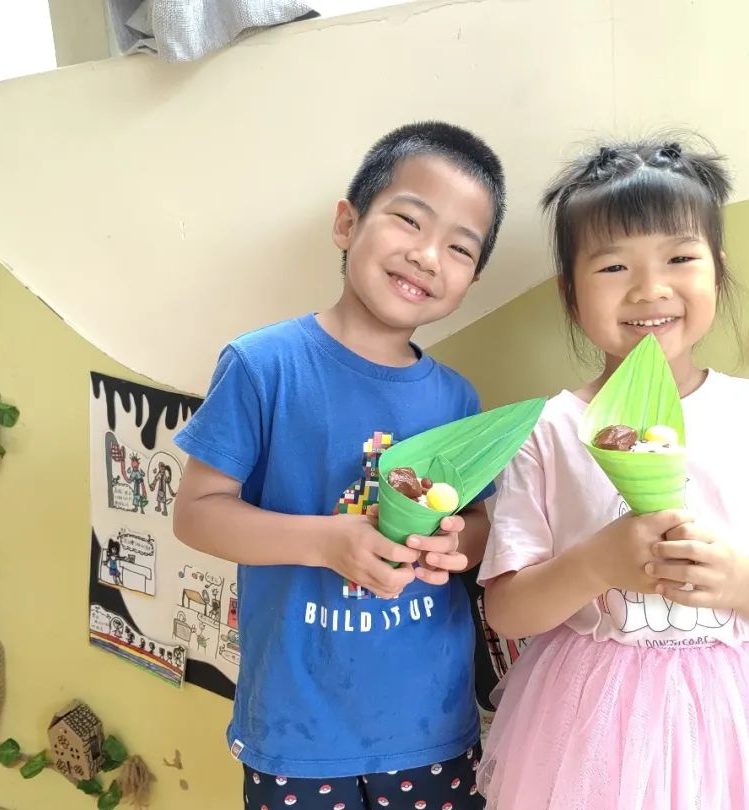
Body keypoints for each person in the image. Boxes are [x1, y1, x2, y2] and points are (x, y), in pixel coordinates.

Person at [476, 137, 749, 809]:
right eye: (614, 266)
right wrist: (598, 562)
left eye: (680, 258)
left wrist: (740, 581)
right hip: (592, 722)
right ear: (570, 294)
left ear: (716, 273)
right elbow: (508, 609)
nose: (650, 288)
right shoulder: (548, 430)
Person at [172, 121, 506, 810]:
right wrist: (327, 542)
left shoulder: (457, 399)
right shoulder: (263, 365)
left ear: (472, 278)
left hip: (432, 725)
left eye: (459, 247)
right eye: (409, 220)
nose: (427, 255)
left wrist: (457, 543)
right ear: (347, 224)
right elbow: (196, 515)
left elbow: (478, 526)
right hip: (296, 727)